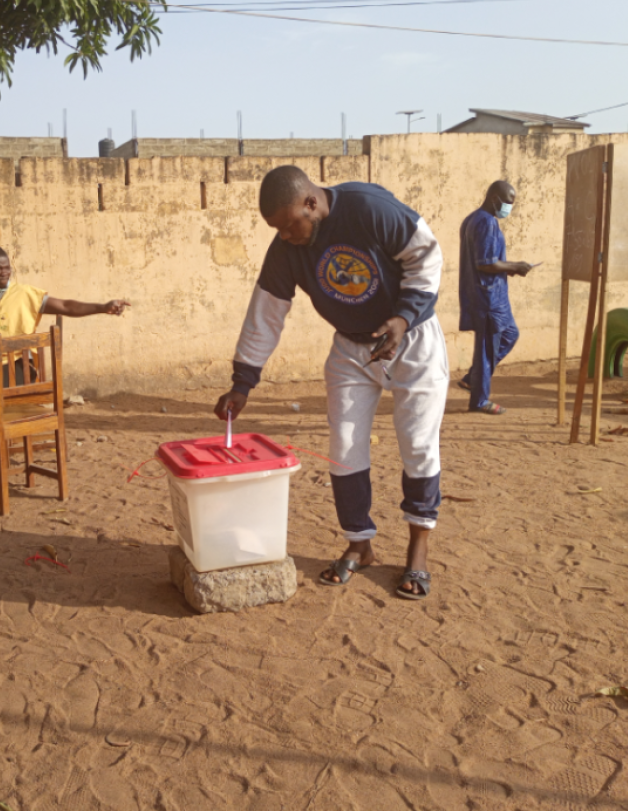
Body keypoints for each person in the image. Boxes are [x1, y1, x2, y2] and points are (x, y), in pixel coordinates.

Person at [214, 165, 447, 601]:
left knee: (417, 443)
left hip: (412, 339)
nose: (284, 236)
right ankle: (360, 543)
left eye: (287, 225)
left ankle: (418, 547)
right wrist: (242, 383)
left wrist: (402, 317)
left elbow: (427, 257)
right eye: (276, 229)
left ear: (311, 202)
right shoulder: (286, 247)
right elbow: (266, 312)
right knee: (343, 448)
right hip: (350, 350)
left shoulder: (370, 208)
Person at [0, 244, 129, 460]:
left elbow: (66, 306)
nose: (4, 273)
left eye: (7, 268)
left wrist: (102, 307)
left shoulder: (23, 294)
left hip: (16, 367)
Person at [457, 181, 534, 415]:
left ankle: (474, 378)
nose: (509, 207)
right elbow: (486, 263)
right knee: (487, 349)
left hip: (491, 294)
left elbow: (485, 261)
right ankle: (479, 399)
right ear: (494, 198)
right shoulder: (486, 222)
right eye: (508, 202)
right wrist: (516, 266)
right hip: (488, 297)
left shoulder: (473, 219)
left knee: (509, 335)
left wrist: (508, 268)